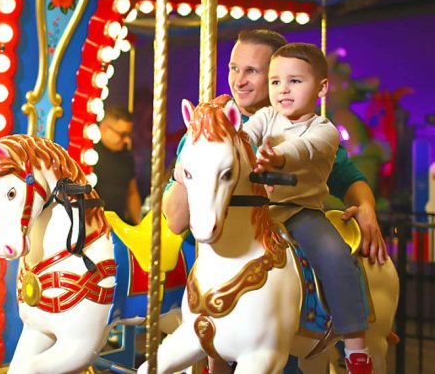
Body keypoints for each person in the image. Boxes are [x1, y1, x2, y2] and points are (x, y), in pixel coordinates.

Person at [163, 29, 387, 374]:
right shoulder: (209, 137)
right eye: (234, 69)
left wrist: (367, 208)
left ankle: (353, 340)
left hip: (289, 227)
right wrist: (203, 151)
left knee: (331, 253)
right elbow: (177, 219)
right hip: (217, 260)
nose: (239, 81)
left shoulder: (315, 128)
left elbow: (345, 174)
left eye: (253, 71)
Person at [240, 42, 372, 372]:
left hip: (301, 213)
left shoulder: (323, 129)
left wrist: (278, 158)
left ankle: (355, 344)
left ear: (322, 87)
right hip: (260, 212)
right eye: (275, 82)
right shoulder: (265, 116)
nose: (283, 89)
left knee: (334, 255)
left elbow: (304, 149)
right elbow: (244, 136)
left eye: (295, 81)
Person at [94, 105, 142, 224]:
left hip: (119, 224)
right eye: (122, 134)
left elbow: (132, 193)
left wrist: (139, 224)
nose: (127, 140)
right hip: (93, 226)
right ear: (104, 128)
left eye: (128, 135)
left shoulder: (127, 157)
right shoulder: (89, 153)